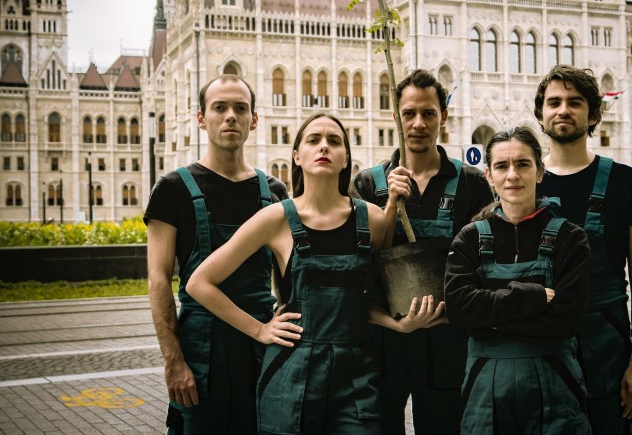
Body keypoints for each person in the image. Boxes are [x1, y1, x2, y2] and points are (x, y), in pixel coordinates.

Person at [187, 113, 437, 434]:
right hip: (291, 373)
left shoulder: (373, 220)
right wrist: (260, 330)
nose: (324, 147)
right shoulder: (275, 218)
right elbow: (199, 283)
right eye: (313, 140)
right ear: (297, 156)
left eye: (334, 141)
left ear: (346, 158)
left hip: (355, 376)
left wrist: (397, 324)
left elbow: (362, 300)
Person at [145, 74, 289, 434]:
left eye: (240, 108)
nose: (230, 116)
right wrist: (173, 361)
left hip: (262, 348)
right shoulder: (172, 189)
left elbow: (288, 278)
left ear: (254, 120)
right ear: (201, 118)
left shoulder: (274, 192)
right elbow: (158, 281)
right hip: (199, 353)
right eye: (219, 107)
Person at [353, 69, 494, 435]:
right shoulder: (367, 184)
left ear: (443, 116)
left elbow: (485, 266)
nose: (418, 123)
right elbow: (358, 267)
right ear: (395, 116)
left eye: (428, 113)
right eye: (409, 113)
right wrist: (390, 205)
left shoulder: (472, 183)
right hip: (384, 343)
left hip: (449, 342)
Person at [534, 65, 632, 435]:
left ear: (592, 115)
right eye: (554, 102)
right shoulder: (522, 182)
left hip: (606, 352)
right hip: (538, 352)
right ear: (541, 113)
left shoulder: (625, 181)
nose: (563, 110)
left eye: (575, 102)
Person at [445, 127, 592, 434]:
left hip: (556, 387)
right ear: (489, 176)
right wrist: (532, 297)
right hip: (486, 391)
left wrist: (487, 319)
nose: (512, 175)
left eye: (523, 164)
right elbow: (459, 308)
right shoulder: (469, 239)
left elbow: (568, 318)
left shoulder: (570, 238)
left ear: (539, 172)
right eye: (502, 166)